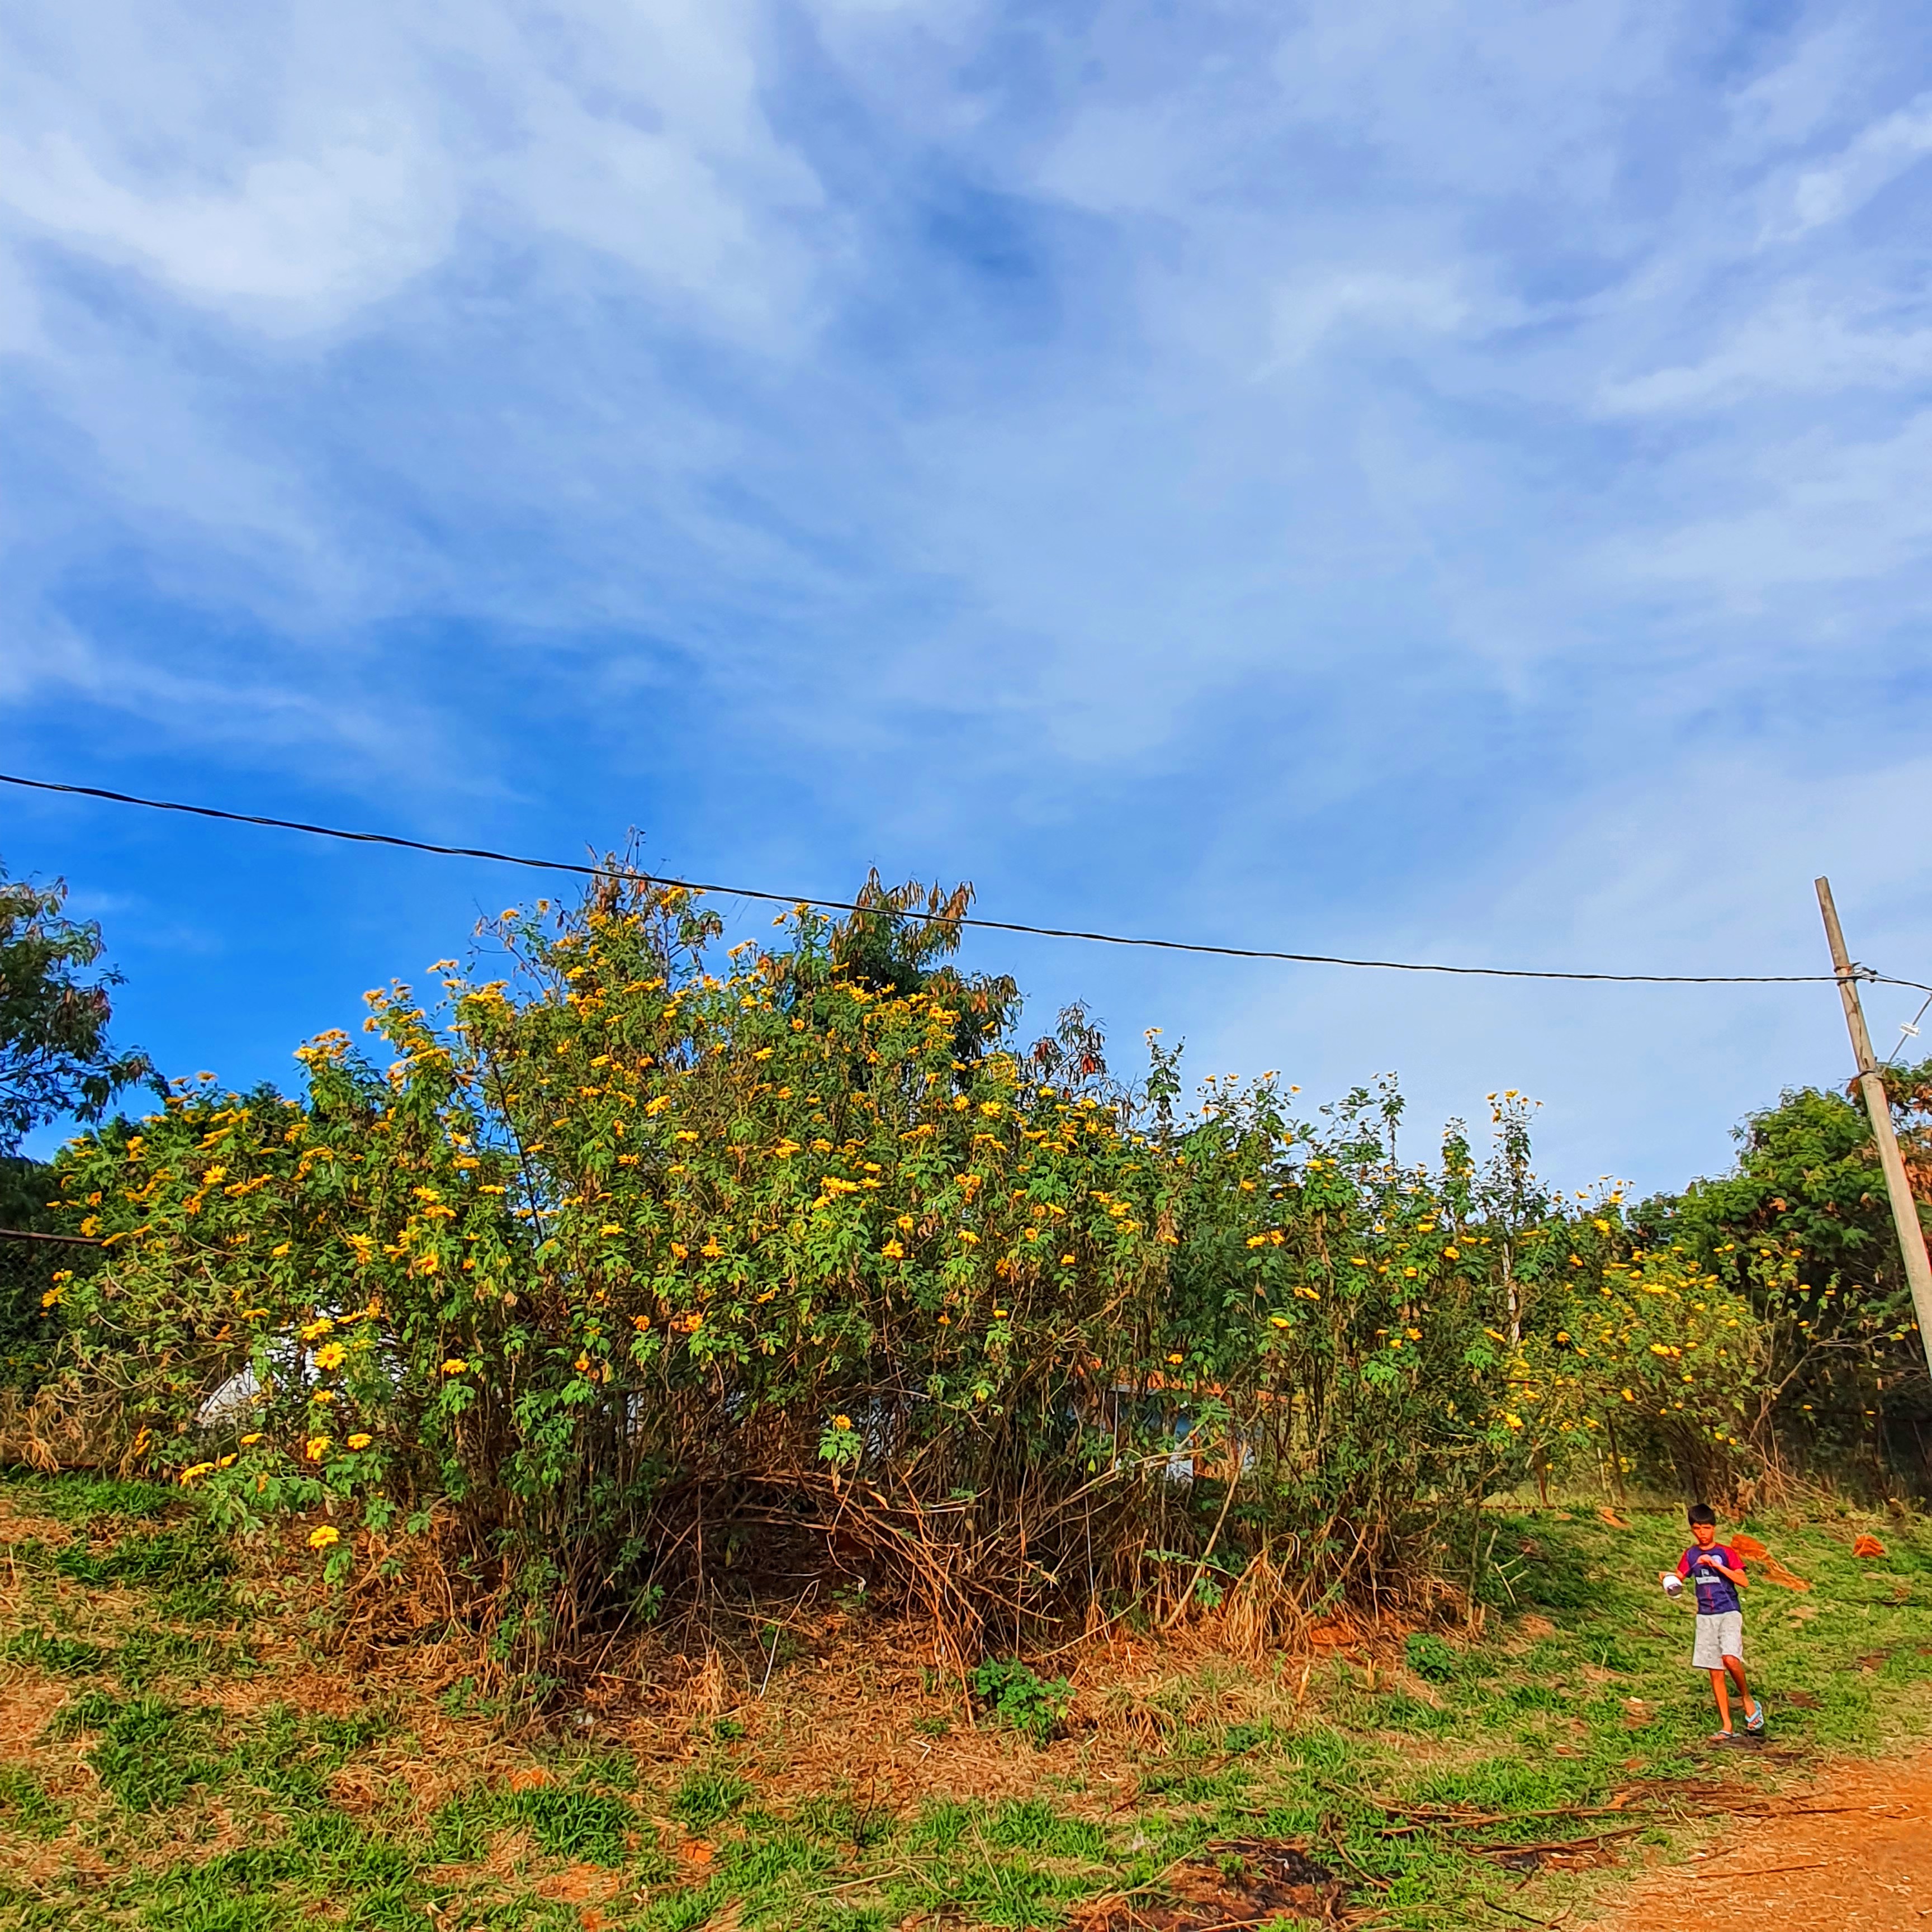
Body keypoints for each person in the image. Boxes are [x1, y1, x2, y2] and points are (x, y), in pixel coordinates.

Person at [1660, 1503, 1764, 1745]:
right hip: (1705, 1615)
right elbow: (1679, 1580)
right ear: (1692, 1530)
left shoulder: (1726, 1553)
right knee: (1715, 1672)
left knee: (1730, 1659)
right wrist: (1667, 1578)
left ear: (1714, 1528)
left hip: (1729, 1612)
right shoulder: (1690, 1555)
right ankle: (1726, 1726)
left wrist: (1718, 1566)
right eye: (1697, 1528)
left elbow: (1744, 1581)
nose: (1702, 1533)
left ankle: (1748, 1699)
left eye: (1706, 1528)